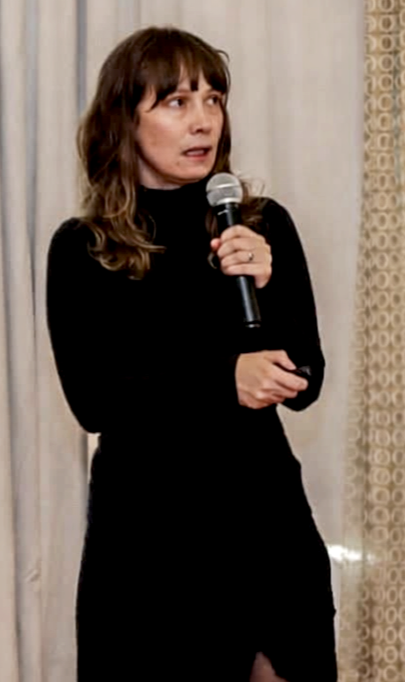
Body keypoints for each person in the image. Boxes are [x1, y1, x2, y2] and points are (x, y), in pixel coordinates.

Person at [45, 27, 336, 682]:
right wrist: (221, 378)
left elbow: (305, 377)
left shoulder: (259, 224)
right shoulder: (84, 246)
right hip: (151, 542)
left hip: (266, 525)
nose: (202, 119)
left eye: (213, 98)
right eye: (175, 102)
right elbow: (95, 398)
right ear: (125, 118)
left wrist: (270, 287)